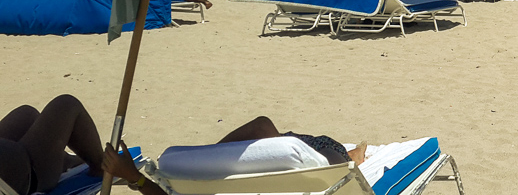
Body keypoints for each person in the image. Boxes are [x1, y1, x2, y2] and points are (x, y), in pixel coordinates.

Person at [101, 116, 366, 195]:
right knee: (340, 158)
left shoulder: (182, 178)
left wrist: (135, 178)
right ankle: (357, 154)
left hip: (275, 159)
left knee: (266, 130)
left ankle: (213, 157)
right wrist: (133, 177)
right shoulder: (182, 175)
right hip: (310, 158)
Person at [0, 95, 104, 195]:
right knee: (66, 105)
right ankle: (101, 167)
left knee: (26, 115)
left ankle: (65, 162)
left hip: (12, 166)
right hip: (27, 177)